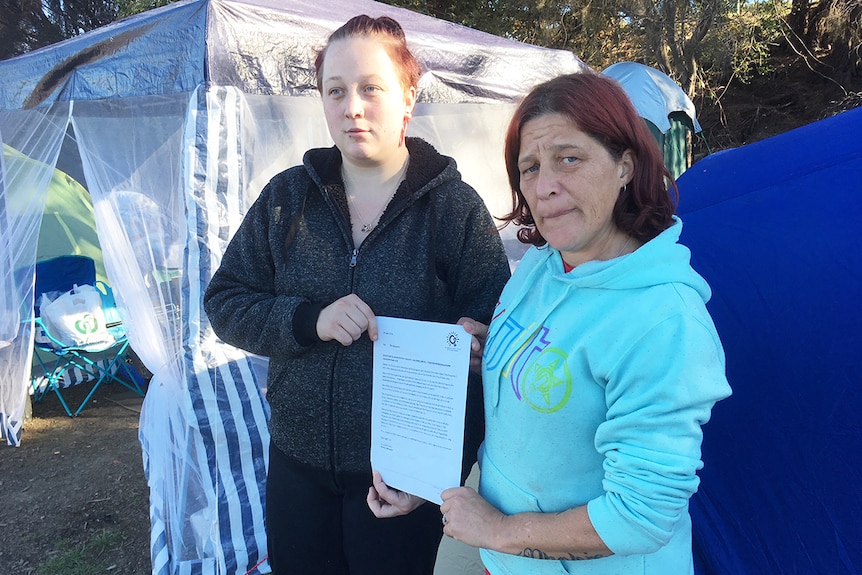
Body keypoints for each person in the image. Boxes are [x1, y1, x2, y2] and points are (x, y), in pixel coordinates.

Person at [202, 14, 510, 575]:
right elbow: (225, 302)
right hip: (297, 468)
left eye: (371, 88)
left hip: (401, 482)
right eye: (335, 91)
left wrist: (482, 350)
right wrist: (306, 320)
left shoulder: (454, 210)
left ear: (408, 96)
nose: (353, 107)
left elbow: (501, 339)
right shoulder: (287, 199)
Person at [438, 72, 732, 574]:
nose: (544, 187)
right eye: (528, 168)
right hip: (508, 559)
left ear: (625, 164)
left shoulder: (664, 321)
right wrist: (499, 351)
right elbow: (560, 361)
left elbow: (640, 517)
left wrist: (498, 530)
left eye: (568, 158)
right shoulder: (540, 266)